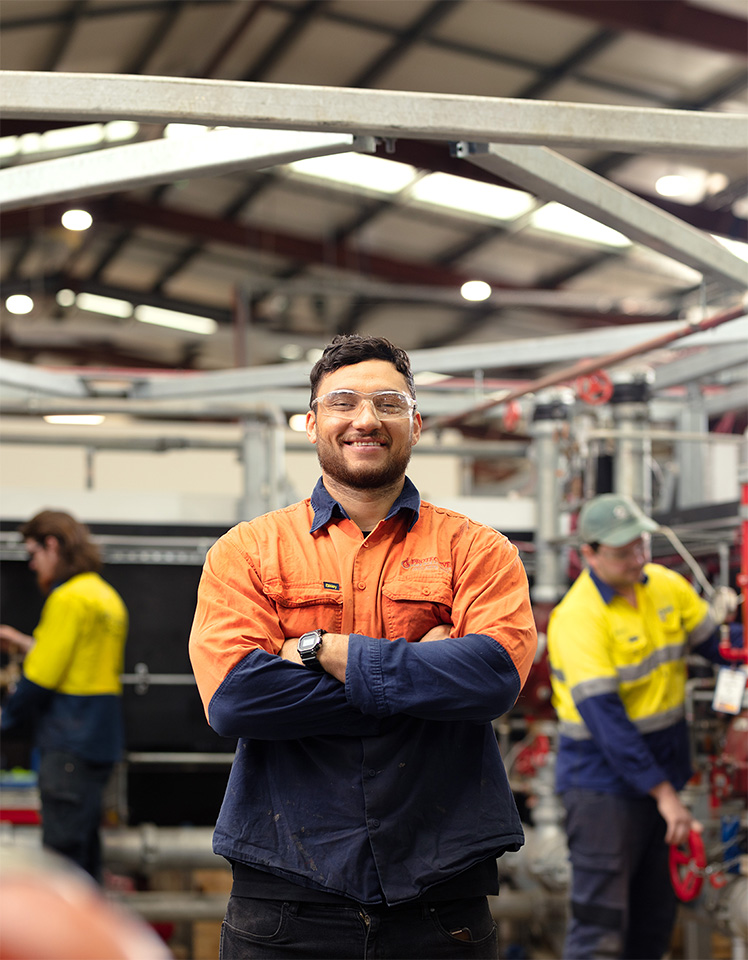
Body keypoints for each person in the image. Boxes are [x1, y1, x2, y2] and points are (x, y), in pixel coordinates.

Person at [189, 334, 537, 960]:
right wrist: (424, 670)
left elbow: (492, 678)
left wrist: (317, 649)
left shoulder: (480, 551)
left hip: (441, 892)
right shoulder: (246, 551)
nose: (366, 419)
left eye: (388, 402)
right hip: (286, 894)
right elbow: (237, 698)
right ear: (313, 422)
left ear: (416, 423)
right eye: (343, 402)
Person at [547, 493, 742, 960]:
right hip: (602, 786)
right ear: (588, 554)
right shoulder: (577, 619)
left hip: (661, 776)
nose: (638, 559)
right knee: (602, 928)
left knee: (655, 922)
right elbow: (608, 724)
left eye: (641, 546)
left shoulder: (666, 586)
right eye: (623, 551)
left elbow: (720, 647)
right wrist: (666, 797)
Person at [0, 510, 128, 881]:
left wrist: (6, 721)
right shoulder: (105, 596)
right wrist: (27, 643)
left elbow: (41, 678)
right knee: (85, 856)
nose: (32, 564)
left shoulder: (68, 599)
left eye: (33, 554)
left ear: (52, 545)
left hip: (68, 741)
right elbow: (80, 662)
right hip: (98, 739)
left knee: (60, 865)